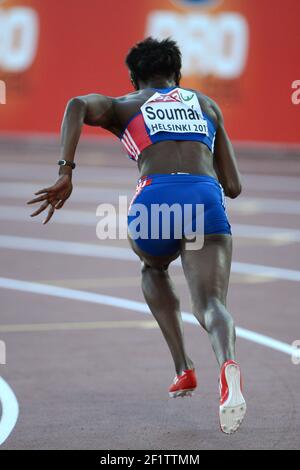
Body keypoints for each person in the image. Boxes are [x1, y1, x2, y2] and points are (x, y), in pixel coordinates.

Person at [27, 37, 246, 434]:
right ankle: (228, 362)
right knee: (212, 303)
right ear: (178, 75)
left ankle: (183, 367)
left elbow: (76, 104)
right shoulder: (206, 105)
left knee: (152, 267)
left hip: (155, 199)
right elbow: (233, 185)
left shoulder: (126, 104)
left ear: (133, 79)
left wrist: (66, 170)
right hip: (204, 196)